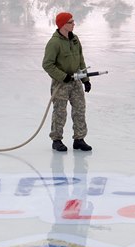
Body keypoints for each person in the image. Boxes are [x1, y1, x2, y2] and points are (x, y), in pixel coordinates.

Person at [42, 12, 92, 152]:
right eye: (71, 22)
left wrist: (85, 79)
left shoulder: (75, 39)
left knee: (79, 110)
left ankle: (79, 139)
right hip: (61, 84)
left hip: (75, 81)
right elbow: (47, 64)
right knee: (60, 112)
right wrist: (63, 77)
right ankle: (56, 140)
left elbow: (80, 60)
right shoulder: (54, 43)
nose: (73, 24)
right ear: (63, 25)